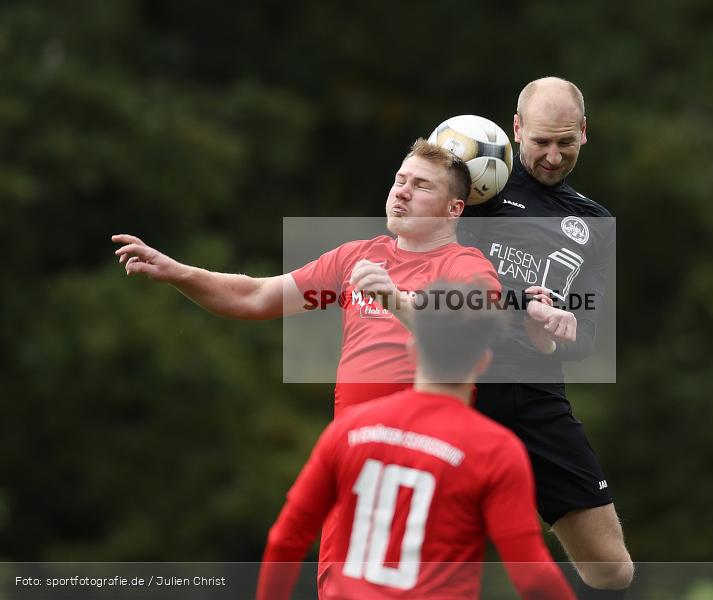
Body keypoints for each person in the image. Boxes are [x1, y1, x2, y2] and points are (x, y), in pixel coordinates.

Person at [112, 139, 500, 417]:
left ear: (454, 209)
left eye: (421, 186)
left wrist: (395, 299)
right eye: (400, 180)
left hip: (427, 453)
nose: (402, 193)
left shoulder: (465, 265)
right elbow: (257, 297)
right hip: (350, 453)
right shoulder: (355, 256)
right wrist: (177, 272)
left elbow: (467, 331)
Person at [256, 282, 576, 600]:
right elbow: (531, 574)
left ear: (413, 350)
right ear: (483, 363)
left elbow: (286, 540)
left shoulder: (349, 429)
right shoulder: (496, 449)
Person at [460, 77, 634, 594]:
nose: (554, 157)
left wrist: (563, 326)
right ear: (515, 130)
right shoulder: (471, 180)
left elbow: (586, 340)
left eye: (566, 142)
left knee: (613, 569)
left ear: (584, 132)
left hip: (534, 394)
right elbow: (405, 239)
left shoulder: (593, 221)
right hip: (454, 383)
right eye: (540, 142)